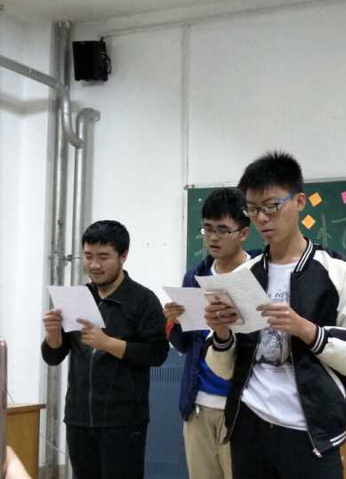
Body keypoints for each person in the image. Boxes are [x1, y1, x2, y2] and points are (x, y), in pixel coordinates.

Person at [204, 151, 346, 479]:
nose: (262, 218)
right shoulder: (244, 275)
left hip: (310, 434)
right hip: (249, 427)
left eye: (271, 206)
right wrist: (221, 333)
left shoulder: (337, 272)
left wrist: (308, 330)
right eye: (253, 209)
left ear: (299, 202)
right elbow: (225, 370)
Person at [41, 220, 169, 479]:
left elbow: (156, 354)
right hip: (78, 419)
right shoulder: (77, 297)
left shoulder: (142, 300)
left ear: (123, 256)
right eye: (88, 256)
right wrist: (53, 334)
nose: (94, 265)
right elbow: (54, 356)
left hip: (123, 422)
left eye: (103, 257)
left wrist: (107, 343)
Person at [164, 188, 251, 479]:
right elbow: (185, 344)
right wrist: (174, 322)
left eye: (222, 230)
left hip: (243, 407)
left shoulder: (257, 274)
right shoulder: (195, 275)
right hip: (198, 403)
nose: (213, 237)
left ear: (243, 233)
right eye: (208, 229)